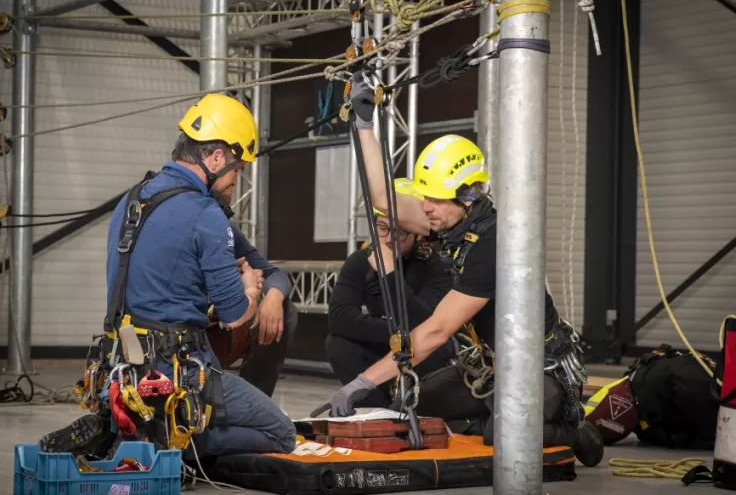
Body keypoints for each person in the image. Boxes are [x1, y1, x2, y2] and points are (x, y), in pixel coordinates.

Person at [311, 72, 603, 466]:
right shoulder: (449, 220)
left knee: (503, 435)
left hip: (542, 370)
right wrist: (364, 122)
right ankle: (491, 413)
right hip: (494, 367)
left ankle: (571, 427)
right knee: (418, 402)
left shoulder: (495, 245)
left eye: (434, 199)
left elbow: (435, 331)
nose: (425, 207)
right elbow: (383, 199)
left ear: (467, 197)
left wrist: (362, 383)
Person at [40, 94, 296, 459]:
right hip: (176, 374)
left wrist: (273, 294)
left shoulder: (132, 200)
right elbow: (235, 314)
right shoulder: (204, 212)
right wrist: (252, 292)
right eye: (238, 169)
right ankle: (160, 442)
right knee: (282, 433)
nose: (236, 181)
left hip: (120, 370)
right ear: (217, 157)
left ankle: (123, 428)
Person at [326, 179, 457, 409]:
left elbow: (426, 325)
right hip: (392, 344)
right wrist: (394, 331)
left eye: (399, 232)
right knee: (337, 343)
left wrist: (389, 273)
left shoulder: (432, 265)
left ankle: (414, 404)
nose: (387, 239)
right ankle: (378, 411)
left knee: (437, 348)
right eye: (382, 227)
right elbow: (339, 319)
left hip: (425, 352)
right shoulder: (361, 260)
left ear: (418, 234)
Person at [206, 222, 299, 399]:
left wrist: (273, 297)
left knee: (285, 310)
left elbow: (273, 274)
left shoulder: (222, 226)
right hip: (178, 322)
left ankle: (254, 398)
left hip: (218, 320)